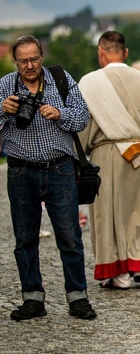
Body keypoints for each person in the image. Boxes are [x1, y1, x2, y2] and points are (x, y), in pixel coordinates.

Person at [1, 35, 96, 320]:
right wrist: (2, 111)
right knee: (25, 239)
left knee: (70, 237)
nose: (30, 65)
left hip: (60, 169)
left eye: (34, 58)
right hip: (20, 171)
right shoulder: (5, 85)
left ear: (42, 56)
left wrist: (60, 114)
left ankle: (77, 297)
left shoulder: (60, 79)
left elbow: (83, 118)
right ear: (15, 61)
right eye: (23, 61)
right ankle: (33, 299)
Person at [78, 31, 140, 289]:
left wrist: (78, 158)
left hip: (105, 153)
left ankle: (116, 270)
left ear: (101, 52)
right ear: (125, 52)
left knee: (107, 214)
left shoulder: (89, 82)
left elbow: (82, 125)